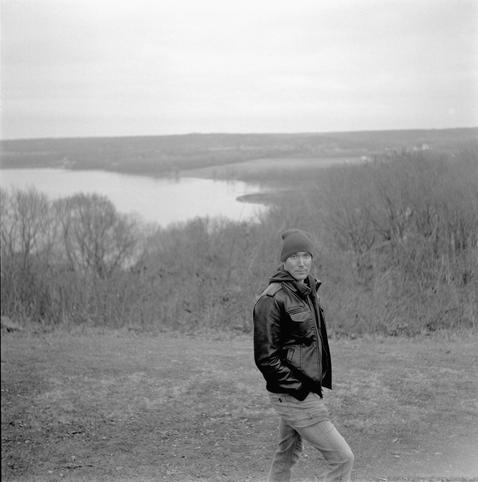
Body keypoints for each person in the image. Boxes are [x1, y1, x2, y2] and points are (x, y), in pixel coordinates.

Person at [253, 229, 354, 482]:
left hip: (303, 389)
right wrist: (299, 388)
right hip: (294, 394)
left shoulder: (306, 291)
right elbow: (266, 359)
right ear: (284, 261)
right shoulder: (272, 299)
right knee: (343, 458)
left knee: (287, 452)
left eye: (306, 255)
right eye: (294, 256)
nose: (301, 262)